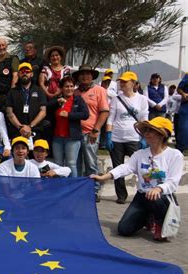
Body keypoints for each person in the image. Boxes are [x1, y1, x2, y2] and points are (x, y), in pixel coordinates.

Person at [91, 117, 183, 241]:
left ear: (161, 135)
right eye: (146, 130)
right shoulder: (140, 154)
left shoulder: (175, 155)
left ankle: (159, 222)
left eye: (151, 131)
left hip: (162, 198)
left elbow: (173, 181)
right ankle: (147, 217)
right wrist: (104, 177)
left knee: (157, 198)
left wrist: (158, 189)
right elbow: (125, 168)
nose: (146, 134)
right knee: (124, 229)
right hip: (142, 197)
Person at [106, 71, 149, 204]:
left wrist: (144, 138)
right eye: (121, 81)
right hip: (117, 138)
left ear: (133, 83)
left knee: (141, 168)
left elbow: (144, 120)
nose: (122, 83)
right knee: (117, 168)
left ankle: (144, 192)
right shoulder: (116, 99)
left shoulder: (142, 99)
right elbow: (110, 119)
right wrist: (108, 135)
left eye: (125, 81)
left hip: (134, 138)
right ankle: (121, 195)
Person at [73, 64, 109, 201]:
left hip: (90, 133)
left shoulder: (99, 90)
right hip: (75, 134)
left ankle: (93, 191)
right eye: (82, 74)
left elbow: (104, 111)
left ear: (92, 76)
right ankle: (79, 190)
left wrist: (96, 129)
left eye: (87, 74)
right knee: (76, 164)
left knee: (91, 163)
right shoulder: (75, 92)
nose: (85, 76)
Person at [46, 76, 89, 178]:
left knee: (71, 164)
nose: (69, 89)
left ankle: (73, 189)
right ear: (61, 88)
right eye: (66, 86)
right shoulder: (57, 100)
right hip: (57, 138)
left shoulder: (78, 100)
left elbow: (85, 114)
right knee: (57, 164)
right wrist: (57, 103)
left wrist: (69, 115)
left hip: (72, 138)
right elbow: (46, 108)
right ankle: (59, 188)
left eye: (71, 86)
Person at [5, 62, 47, 143]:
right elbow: (9, 113)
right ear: (18, 74)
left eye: (27, 71)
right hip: (17, 131)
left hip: (35, 130)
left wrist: (30, 126)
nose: (24, 73)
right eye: (22, 72)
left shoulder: (39, 91)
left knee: (35, 154)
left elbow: (43, 111)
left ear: (31, 74)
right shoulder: (12, 92)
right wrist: (20, 127)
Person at [176, 73, 188, 152]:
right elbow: (179, 89)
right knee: (183, 128)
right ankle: (180, 148)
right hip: (186, 106)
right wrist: (184, 94)